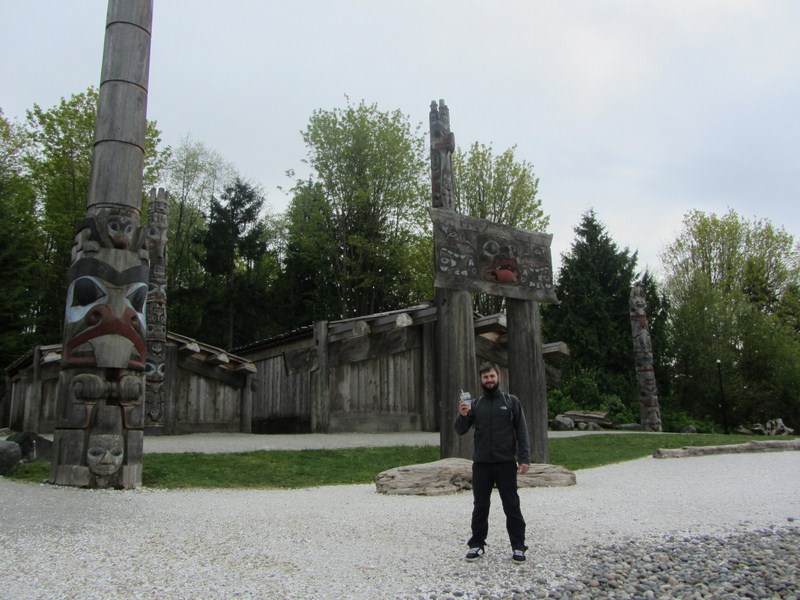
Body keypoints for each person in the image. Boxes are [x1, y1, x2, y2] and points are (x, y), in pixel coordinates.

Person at [454, 361, 531, 563]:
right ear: (481, 379)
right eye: (485, 377)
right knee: (480, 506)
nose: (489, 380)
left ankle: (518, 546)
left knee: (511, 505)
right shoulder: (475, 404)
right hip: (481, 464)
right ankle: (477, 544)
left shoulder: (511, 401)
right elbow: (460, 429)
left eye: (492, 376)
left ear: (498, 377)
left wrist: (524, 458)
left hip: (505, 463)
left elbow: (522, 431)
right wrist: (462, 414)